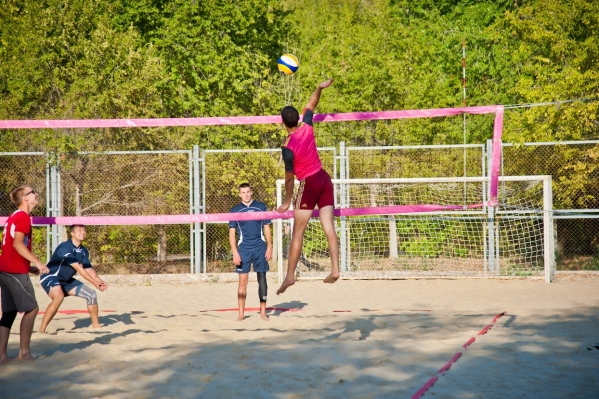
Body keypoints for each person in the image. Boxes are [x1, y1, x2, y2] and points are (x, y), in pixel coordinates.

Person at [276, 78, 340, 295]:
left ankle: (290, 276)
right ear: (298, 118)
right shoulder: (307, 127)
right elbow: (312, 105)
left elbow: (289, 179)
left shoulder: (287, 147)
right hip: (324, 178)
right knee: (328, 226)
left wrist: (286, 201)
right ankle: (335, 269)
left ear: (283, 123)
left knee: (298, 233)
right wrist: (319, 88)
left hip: (310, 183)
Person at [0, 185, 49, 363]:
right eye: (32, 192)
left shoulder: (13, 216)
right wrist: (37, 261)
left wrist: (28, 267)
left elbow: (8, 246)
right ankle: (24, 353)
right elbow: (17, 245)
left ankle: (2, 356)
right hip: (13, 271)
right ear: (25, 199)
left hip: (6, 269)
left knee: (9, 312)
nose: (36, 194)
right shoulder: (23, 217)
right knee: (32, 309)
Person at [38, 224, 107, 333]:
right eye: (79, 230)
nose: (83, 232)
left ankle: (96, 327)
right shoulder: (65, 247)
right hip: (51, 276)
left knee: (91, 294)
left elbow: (88, 268)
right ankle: (42, 330)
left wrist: (98, 280)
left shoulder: (83, 250)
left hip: (66, 280)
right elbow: (78, 268)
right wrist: (93, 282)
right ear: (72, 233)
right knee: (59, 297)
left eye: (84, 230)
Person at [229, 183, 272, 321]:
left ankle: (263, 313)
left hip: (260, 247)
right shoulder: (235, 210)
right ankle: (241, 314)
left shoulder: (261, 207)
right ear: (239, 194)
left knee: (262, 280)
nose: (246, 194)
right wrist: (235, 252)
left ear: (251, 192)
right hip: (244, 249)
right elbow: (232, 233)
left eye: (248, 192)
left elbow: (266, 228)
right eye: (243, 192)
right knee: (243, 282)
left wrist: (270, 246)